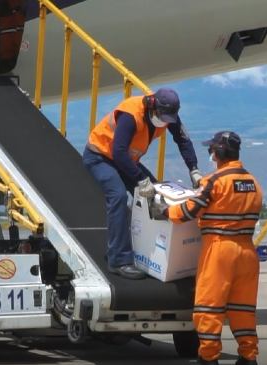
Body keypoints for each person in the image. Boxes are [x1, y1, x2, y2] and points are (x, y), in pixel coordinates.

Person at [151, 131, 263, 365]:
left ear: (218, 152)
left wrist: (163, 211)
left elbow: (188, 211)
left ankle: (209, 359)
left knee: (208, 307)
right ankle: (249, 357)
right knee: (242, 308)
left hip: (219, 249)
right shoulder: (253, 182)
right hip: (247, 250)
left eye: (211, 150)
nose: (210, 154)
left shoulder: (214, 181)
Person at [83, 88, 202, 280]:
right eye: (162, 117)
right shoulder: (131, 114)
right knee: (118, 196)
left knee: (156, 198)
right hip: (100, 157)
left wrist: (194, 169)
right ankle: (118, 260)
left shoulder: (167, 115)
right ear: (152, 105)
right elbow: (119, 152)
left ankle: (152, 256)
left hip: (127, 161)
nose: (164, 122)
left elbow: (183, 140)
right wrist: (141, 180)